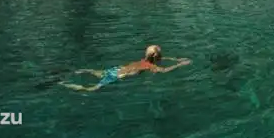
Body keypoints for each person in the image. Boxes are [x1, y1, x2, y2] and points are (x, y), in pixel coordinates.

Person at [60, 45, 191, 92]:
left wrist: (175, 59)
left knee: (94, 72)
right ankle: (64, 84)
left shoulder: (143, 61)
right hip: (116, 76)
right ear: (157, 58)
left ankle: (79, 71)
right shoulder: (151, 67)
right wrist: (179, 64)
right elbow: (165, 70)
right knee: (90, 89)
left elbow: (162, 58)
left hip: (114, 70)